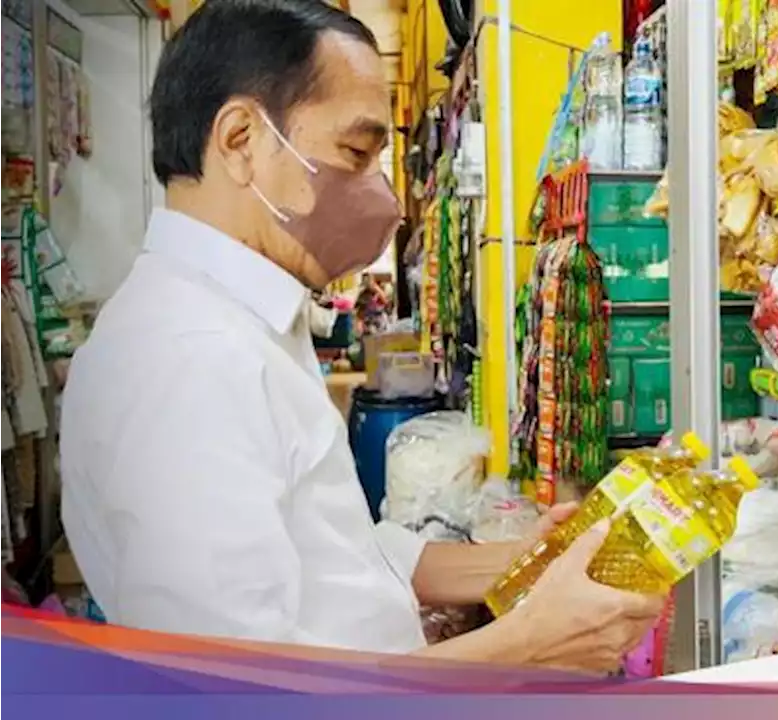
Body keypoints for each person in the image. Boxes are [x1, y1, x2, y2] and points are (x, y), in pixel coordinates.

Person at [59, 0, 663, 674]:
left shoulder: (244, 322)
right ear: (240, 140)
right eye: (355, 152)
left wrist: (525, 561)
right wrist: (528, 646)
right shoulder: (183, 358)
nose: (384, 197)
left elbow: (332, 558)